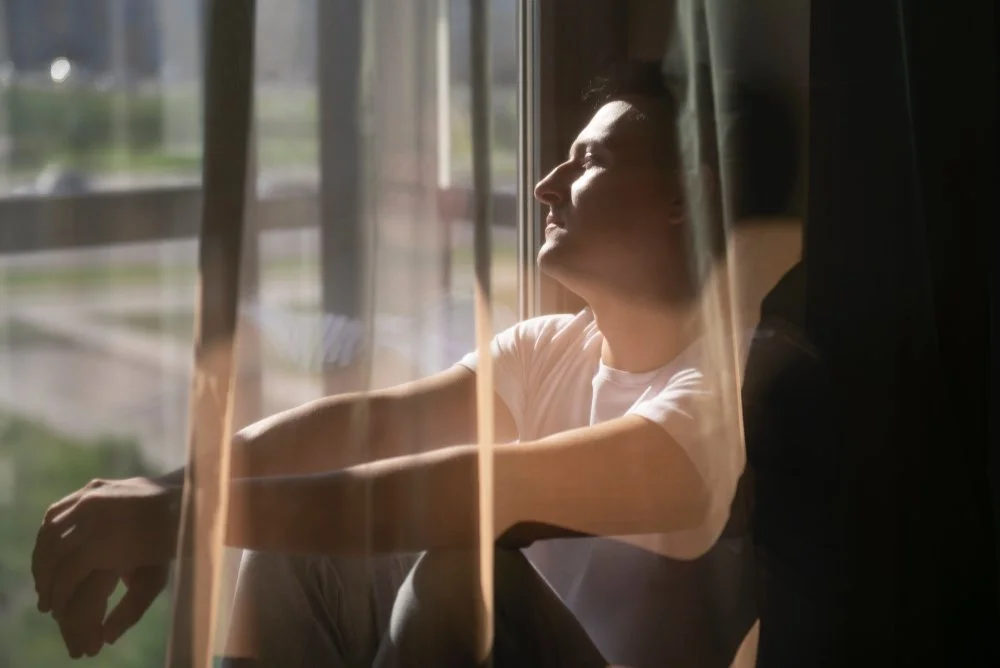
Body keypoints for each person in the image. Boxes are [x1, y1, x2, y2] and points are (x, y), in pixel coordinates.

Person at [30, 60, 745, 667]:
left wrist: (185, 518)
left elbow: (487, 488)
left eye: (591, 161)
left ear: (686, 200)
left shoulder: (722, 393)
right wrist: (169, 494)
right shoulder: (549, 348)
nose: (546, 185)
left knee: (461, 569)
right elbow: (365, 432)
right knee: (296, 545)